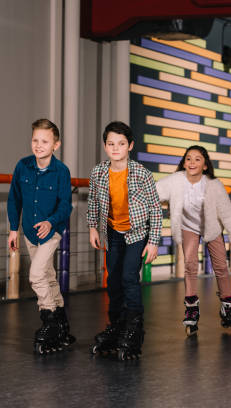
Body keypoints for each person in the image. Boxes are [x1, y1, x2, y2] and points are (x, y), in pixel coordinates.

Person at [156, 145, 231, 336]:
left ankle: (229, 308)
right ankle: (191, 306)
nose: (192, 162)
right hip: (189, 227)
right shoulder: (175, 181)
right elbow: (153, 193)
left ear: (205, 165)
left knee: (220, 266)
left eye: (197, 159)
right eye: (188, 158)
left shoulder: (213, 184)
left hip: (211, 226)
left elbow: (227, 212)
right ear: (184, 163)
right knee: (190, 264)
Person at [87, 121, 162, 360]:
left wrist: (154, 241)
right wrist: (92, 227)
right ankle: (117, 324)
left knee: (129, 276)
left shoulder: (141, 173)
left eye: (121, 144)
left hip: (137, 233)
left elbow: (155, 209)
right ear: (105, 146)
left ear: (130, 145)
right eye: (111, 144)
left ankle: (134, 328)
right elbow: (93, 202)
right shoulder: (98, 172)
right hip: (112, 233)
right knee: (114, 281)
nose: (115, 148)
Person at [7, 118, 75, 353]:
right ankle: (62, 323)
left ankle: (49, 320)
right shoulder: (22, 166)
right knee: (48, 275)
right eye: (35, 140)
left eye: (44, 141)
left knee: (36, 275)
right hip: (29, 231)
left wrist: (51, 222)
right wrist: (13, 229)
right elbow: (14, 199)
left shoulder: (61, 172)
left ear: (56, 145)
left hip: (52, 232)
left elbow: (66, 205)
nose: (38, 145)